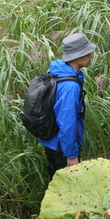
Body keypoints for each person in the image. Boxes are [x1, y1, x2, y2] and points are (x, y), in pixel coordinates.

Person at [39, 32, 96, 180]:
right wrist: (71, 155)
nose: (91, 55)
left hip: (52, 141)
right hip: (62, 147)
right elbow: (67, 121)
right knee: (69, 188)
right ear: (76, 56)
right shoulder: (70, 86)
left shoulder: (59, 71)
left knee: (56, 183)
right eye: (87, 52)